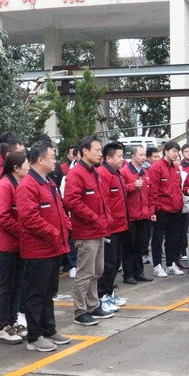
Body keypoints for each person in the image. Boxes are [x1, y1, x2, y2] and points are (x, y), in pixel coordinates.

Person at [16, 141, 73, 351]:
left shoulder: (49, 182)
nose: (55, 161)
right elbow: (29, 218)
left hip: (54, 246)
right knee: (37, 294)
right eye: (52, 157)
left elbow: (59, 210)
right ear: (40, 160)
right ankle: (34, 337)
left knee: (49, 292)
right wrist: (54, 232)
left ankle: (49, 330)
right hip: (38, 249)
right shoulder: (28, 185)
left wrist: (66, 227)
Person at [62, 135, 114, 326]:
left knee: (97, 270)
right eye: (97, 150)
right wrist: (95, 218)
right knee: (85, 273)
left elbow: (102, 200)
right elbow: (72, 201)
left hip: (98, 230)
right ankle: (80, 311)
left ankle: (92, 305)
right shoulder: (76, 174)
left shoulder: (95, 172)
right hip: (86, 232)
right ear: (85, 151)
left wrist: (106, 220)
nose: (100, 154)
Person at [0, 150, 29, 345]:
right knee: (7, 286)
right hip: (6, 244)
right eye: (26, 165)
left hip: (17, 243)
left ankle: (13, 322)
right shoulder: (4, 186)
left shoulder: (17, 184)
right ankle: (3, 327)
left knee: (16, 285)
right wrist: (22, 231)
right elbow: (1, 216)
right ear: (16, 168)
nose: (29, 168)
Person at [95, 141, 130, 312]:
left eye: (123, 156)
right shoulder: (103, 174)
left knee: (115, 262)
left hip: (120, 225)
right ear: (108, 158)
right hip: (110, 227)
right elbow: (104, 202)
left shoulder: (117, 173)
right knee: (108, 264)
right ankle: (102, 296)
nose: (122, 159)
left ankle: (109, 293)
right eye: (119, 156)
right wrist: (107, 223)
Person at [148, 140, 186, 277]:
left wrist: (179, 205)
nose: (176, 154)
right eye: (174, 151)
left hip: (175, 209)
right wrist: (155, 209)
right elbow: (153, 190)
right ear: (166, 151)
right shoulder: (156, 167)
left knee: (172, 238)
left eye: (177, 152)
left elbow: (178, 188)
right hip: (161, 209)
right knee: (158, 238)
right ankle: (157, 265)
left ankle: (170, 264)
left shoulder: (176, 168)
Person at [121, 145, 154, 284]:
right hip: (131, 216)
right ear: (133, 156)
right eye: (141, 155)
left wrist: (151, 211)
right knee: (129, 247)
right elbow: (121, 192)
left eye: (144, 155)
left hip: (144, 215)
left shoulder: (145, 172)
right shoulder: (124, 172)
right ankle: (128, 274)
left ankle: (139, 272)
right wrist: (133, 185)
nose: (144, 157)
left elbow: (150, 194)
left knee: (141, 246)